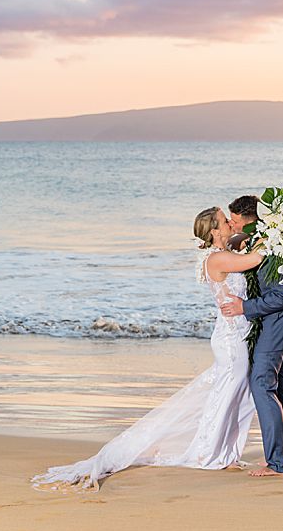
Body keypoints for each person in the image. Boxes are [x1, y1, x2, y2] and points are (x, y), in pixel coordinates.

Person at [31, 206, 265, 491]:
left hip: (237, 332)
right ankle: (208, 454)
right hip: (231, 338)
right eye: (224, 220)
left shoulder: (222, 251)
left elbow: (246, 243)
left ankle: (227, 454)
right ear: (215, 231)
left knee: (240, 396)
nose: (231, 222)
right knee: (227, 396)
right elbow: (256, 259)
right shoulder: (218, 259)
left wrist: (261, 230)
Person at [220, 194, 283, 476]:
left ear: (247, 220)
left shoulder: (271, 247)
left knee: (262, 386)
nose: (231, 223)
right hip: (277, 326)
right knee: (278, 388)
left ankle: (278, 464)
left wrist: (245, 307)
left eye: (235, 220)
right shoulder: (261, 241)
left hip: (275, 325)